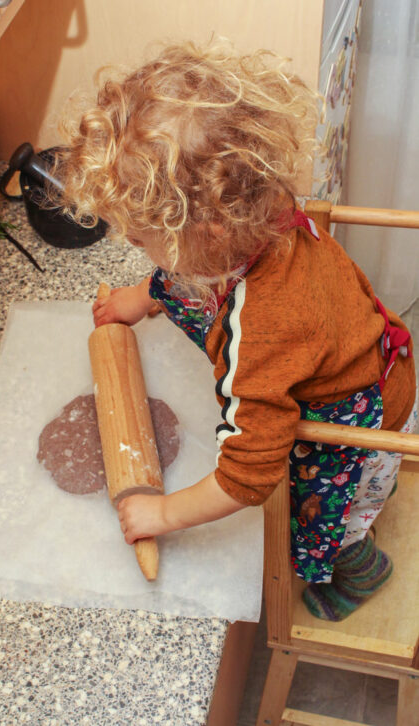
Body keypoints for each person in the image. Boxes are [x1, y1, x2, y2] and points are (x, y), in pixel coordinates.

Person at [57, 40, 417, 621]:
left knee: (329, 522)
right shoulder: (265, 209)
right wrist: (146, 295)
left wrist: (163, 513)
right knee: (370, 486)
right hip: (384, 363)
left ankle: (361, 562)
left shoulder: (266, 327)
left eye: (145, 238)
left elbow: (248, 476)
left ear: (210, 234)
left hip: (357, 425)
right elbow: (194, 277)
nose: (130, 244)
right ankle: (378, 489)